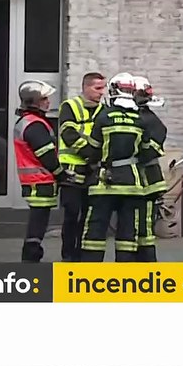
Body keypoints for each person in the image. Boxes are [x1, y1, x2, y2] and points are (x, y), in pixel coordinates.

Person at [78, 73, 152, 262]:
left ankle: (89, 275)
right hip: (131, 184)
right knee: (128, 231)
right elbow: (145, 151)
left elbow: (94, 149)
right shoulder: (139, 119)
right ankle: (123, 277)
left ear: (113, 90)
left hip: (105, 182)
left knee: (96, 229)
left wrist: (91, 163)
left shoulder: (104, 116)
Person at [57, 72, 106, 261]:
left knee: (89, 218)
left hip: (93, 173)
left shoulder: (104, 110)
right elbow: (68, 134)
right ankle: (68, 256)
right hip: (72, 174)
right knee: (72, 217)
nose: (102, 93)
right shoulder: (70, 107)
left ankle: (83, 257)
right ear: (85, 87)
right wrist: (90, 153)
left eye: (103, 88)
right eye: (97, 88)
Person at [14, 80, 65, 262]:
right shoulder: (34, 124)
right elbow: (46, 154)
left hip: (35, 180)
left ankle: (32, 251)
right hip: (40, 180)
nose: (48, 102)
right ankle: (31, 254)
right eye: (44, 98)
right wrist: (61, 173)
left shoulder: (28, 121)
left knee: (39, 218)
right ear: (34, 101)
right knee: (39, 219)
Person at [132, 75, 168, 262]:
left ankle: (145, 264)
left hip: (145, 178)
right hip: (147, 178)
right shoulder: (148, 117)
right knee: (142, 224)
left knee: (142, 225)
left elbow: (150, 149)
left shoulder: (143, 119)